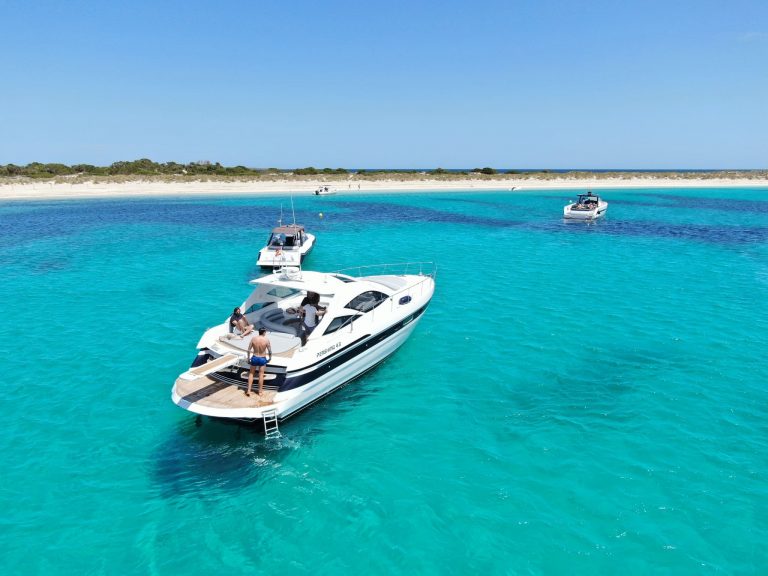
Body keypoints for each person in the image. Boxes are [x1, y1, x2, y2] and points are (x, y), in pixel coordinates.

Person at [246, 327, 272, 397]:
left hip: (254, 357)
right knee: (261, 375)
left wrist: (248, 358)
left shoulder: (253, 339)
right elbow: (269, 351)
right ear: (264, 332)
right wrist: (270, 358)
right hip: (262, 358)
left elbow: (248, 350)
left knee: (251, 374)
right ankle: (260, 392)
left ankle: (248, 390)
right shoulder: (266, 340)